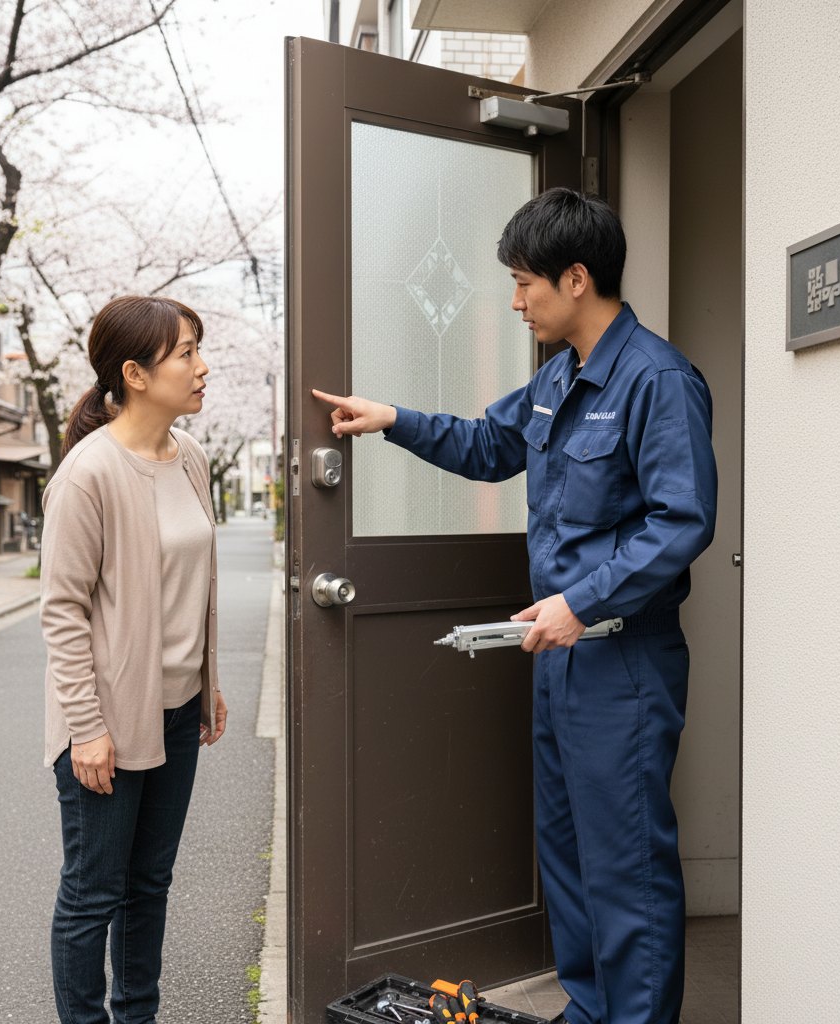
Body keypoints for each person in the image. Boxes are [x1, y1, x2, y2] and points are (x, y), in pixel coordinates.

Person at [312, 188, 717, 1024]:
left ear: (577, 278)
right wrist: (394, 419)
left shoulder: (658, 380)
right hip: (560, 652)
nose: (515, 298)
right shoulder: (557, 377)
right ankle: (589, 1006)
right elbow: (489, 445)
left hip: (623, 659)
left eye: (525, 281)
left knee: (628, 865)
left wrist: (582, 601)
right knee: (568, 852)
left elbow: (683, 524)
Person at [40, 294, 228, 1024]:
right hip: (107, 725)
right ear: (136, 374)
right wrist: (85, 727)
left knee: (150, 883)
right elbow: (62, 611)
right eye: (186, 352)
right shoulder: (88, 474)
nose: (202, 366)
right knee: (94, 893)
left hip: (178, 712)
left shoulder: (194, 459)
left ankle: (138, 1017)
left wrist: (208, 682)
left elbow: (195, 584)